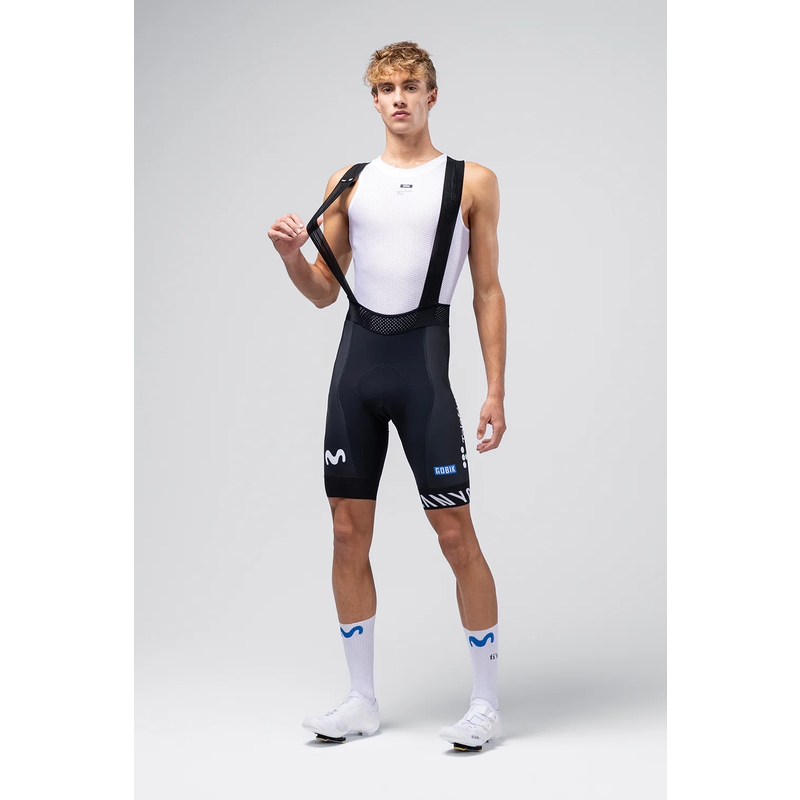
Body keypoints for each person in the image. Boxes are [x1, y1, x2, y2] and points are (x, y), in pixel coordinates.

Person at [268, 41, 507, 752]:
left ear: (433, 95)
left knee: (455, 533)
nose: (398, 98)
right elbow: (321, 292)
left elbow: (487, 291)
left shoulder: (471, 181)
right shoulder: (350, 182)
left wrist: (495, 390)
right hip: (356, 371)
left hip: (423, 374)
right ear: (373, 100)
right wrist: (291, 257)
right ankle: (361, 700)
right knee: (347, 532)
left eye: (410, 86)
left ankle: (486, 704)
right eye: (386, 88)